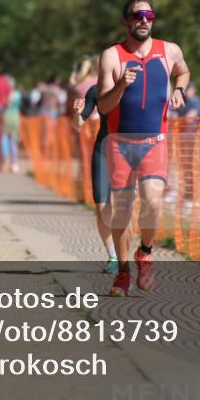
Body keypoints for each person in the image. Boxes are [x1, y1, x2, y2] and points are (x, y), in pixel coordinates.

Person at [97, 0, 190, 297]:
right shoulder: (112, 56)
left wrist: (180, 89)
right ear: (126, 21)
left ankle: (145, 253)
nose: (144, 20)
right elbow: (103, 106)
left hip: (154, 143)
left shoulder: (169, 50)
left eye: (149, 15)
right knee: (122, 211)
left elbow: (183, 71)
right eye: (137, 16)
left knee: (153, 203)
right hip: (120, 144)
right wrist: (121, 85)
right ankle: (123, 273)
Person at [72, 84, 118, 274]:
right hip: (103, 149)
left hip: (129, 149)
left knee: (123, 207)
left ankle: (133, 253)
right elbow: (77, 123)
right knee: (101, 207)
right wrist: (77, 113)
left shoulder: (134, 85)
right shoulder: (96, 90)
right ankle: (113, 256)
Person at [2, 77, 22, 173]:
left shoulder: (7, 94)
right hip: (16, 117)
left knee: (5, 140)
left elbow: (6, 104)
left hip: (7, 116)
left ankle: (6, 162)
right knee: (13, 141)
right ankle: (14, 163)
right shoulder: (18, 94)